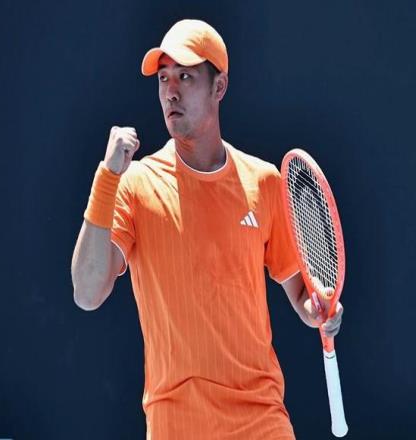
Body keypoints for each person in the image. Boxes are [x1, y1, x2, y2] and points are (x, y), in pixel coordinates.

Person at [71, 18, 344, 440]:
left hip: (261, 420)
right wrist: (107, 178)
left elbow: (302, 296)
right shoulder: (135, 184)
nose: (171, 91)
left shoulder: (263, 182)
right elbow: (87, 293)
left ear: (219, 87)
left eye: (185, 77)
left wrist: (320, 311)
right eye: (163, 78)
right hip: (176, 425)